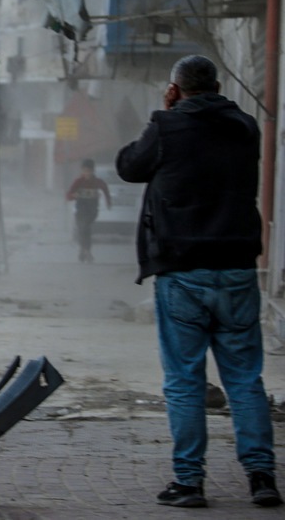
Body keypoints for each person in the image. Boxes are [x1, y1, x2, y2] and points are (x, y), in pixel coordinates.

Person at [115, 54, 280, 509]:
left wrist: (165, 114)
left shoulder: (168, 128)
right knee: (245, 379)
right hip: (238, 268)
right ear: (217, 85)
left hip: (183, 269)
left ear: (176, 88)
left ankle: (189, 483)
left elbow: (129, 166)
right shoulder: (245, 127)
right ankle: (262, 477)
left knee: (185, 381)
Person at [65, 158, 111, 262]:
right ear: (82, 171)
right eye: (85, 171)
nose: (87, 174)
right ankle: (85, 250)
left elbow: (105, 190)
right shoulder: (78, 182)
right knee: (83, 229)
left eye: (89, 171)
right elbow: (68, 196)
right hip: (80, 209)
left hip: (92, 210)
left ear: (93, 171)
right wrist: (74, 195)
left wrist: (108, 202)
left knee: (85, 227)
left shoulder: (97, 182)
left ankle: (85, 250)